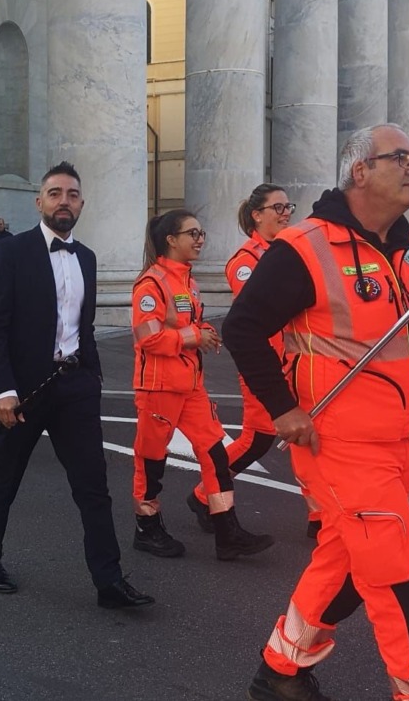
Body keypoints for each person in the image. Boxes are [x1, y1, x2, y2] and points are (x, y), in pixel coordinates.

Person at [224, 125, 409, 701]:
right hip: (337, 441)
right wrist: (283, 409)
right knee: (398, 576)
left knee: (343, 562)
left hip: (401, 437)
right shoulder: (305, 245)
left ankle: (281, 670)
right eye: (401, 158)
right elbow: (241, 328)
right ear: (360, 170)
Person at [0, 161, 153, 609]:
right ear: (39, 202)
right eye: (55, 193)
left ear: (81, 204)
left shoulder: (87, 258)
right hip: (24, 392)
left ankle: (108, 582)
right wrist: (3, 390)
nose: (63, 201)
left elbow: (82, 326)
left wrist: (92, 375)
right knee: (4, 478)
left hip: (74, 388)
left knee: (93, 486)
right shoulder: (11, 252)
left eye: (72, 194)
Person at [130, 209, 274, 561]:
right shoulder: (151, 284)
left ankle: (228, 532)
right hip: (159, 388)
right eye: (192, 233)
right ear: (171, 240)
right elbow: (147, 338)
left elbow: (183, 328)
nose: (200, 239)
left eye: (201, 232)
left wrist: (201, 334)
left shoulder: (187, 281)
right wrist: (194, 335)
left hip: (191, 386)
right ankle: (146, 528)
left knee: (215, 454)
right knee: (151, 460)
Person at [186, 184, 322, 539]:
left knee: (307, 435)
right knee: (257, 439)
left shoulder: (288, 252)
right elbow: (254, 314)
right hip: (267, 365)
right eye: (276, 207)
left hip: (296, 361)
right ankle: (204, 495)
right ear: (256, 215)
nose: (285, 212)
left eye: (287, 206)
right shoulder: (246, 261)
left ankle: (319, 515)